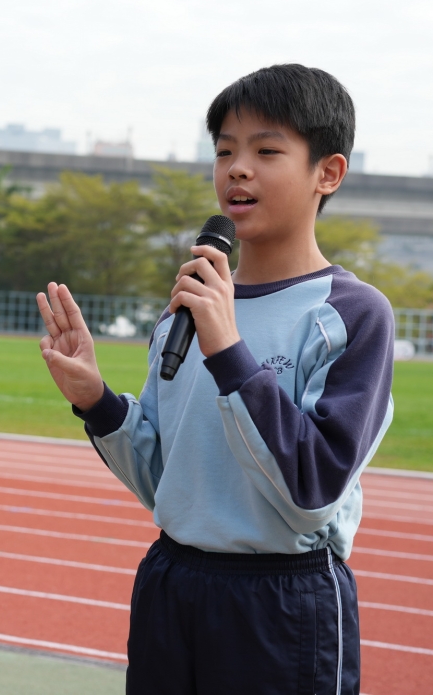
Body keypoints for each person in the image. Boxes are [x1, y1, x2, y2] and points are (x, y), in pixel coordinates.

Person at [36, 64, 393, 695]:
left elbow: (312, 490)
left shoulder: (350, 313)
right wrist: (95, 400)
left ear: (328, 173)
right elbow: (164, 479)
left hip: (282, 602)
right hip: (173, 586)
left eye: (266, 151)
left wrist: (229, 350)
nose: (237, 169)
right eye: (225, 151)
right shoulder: (185, 308)